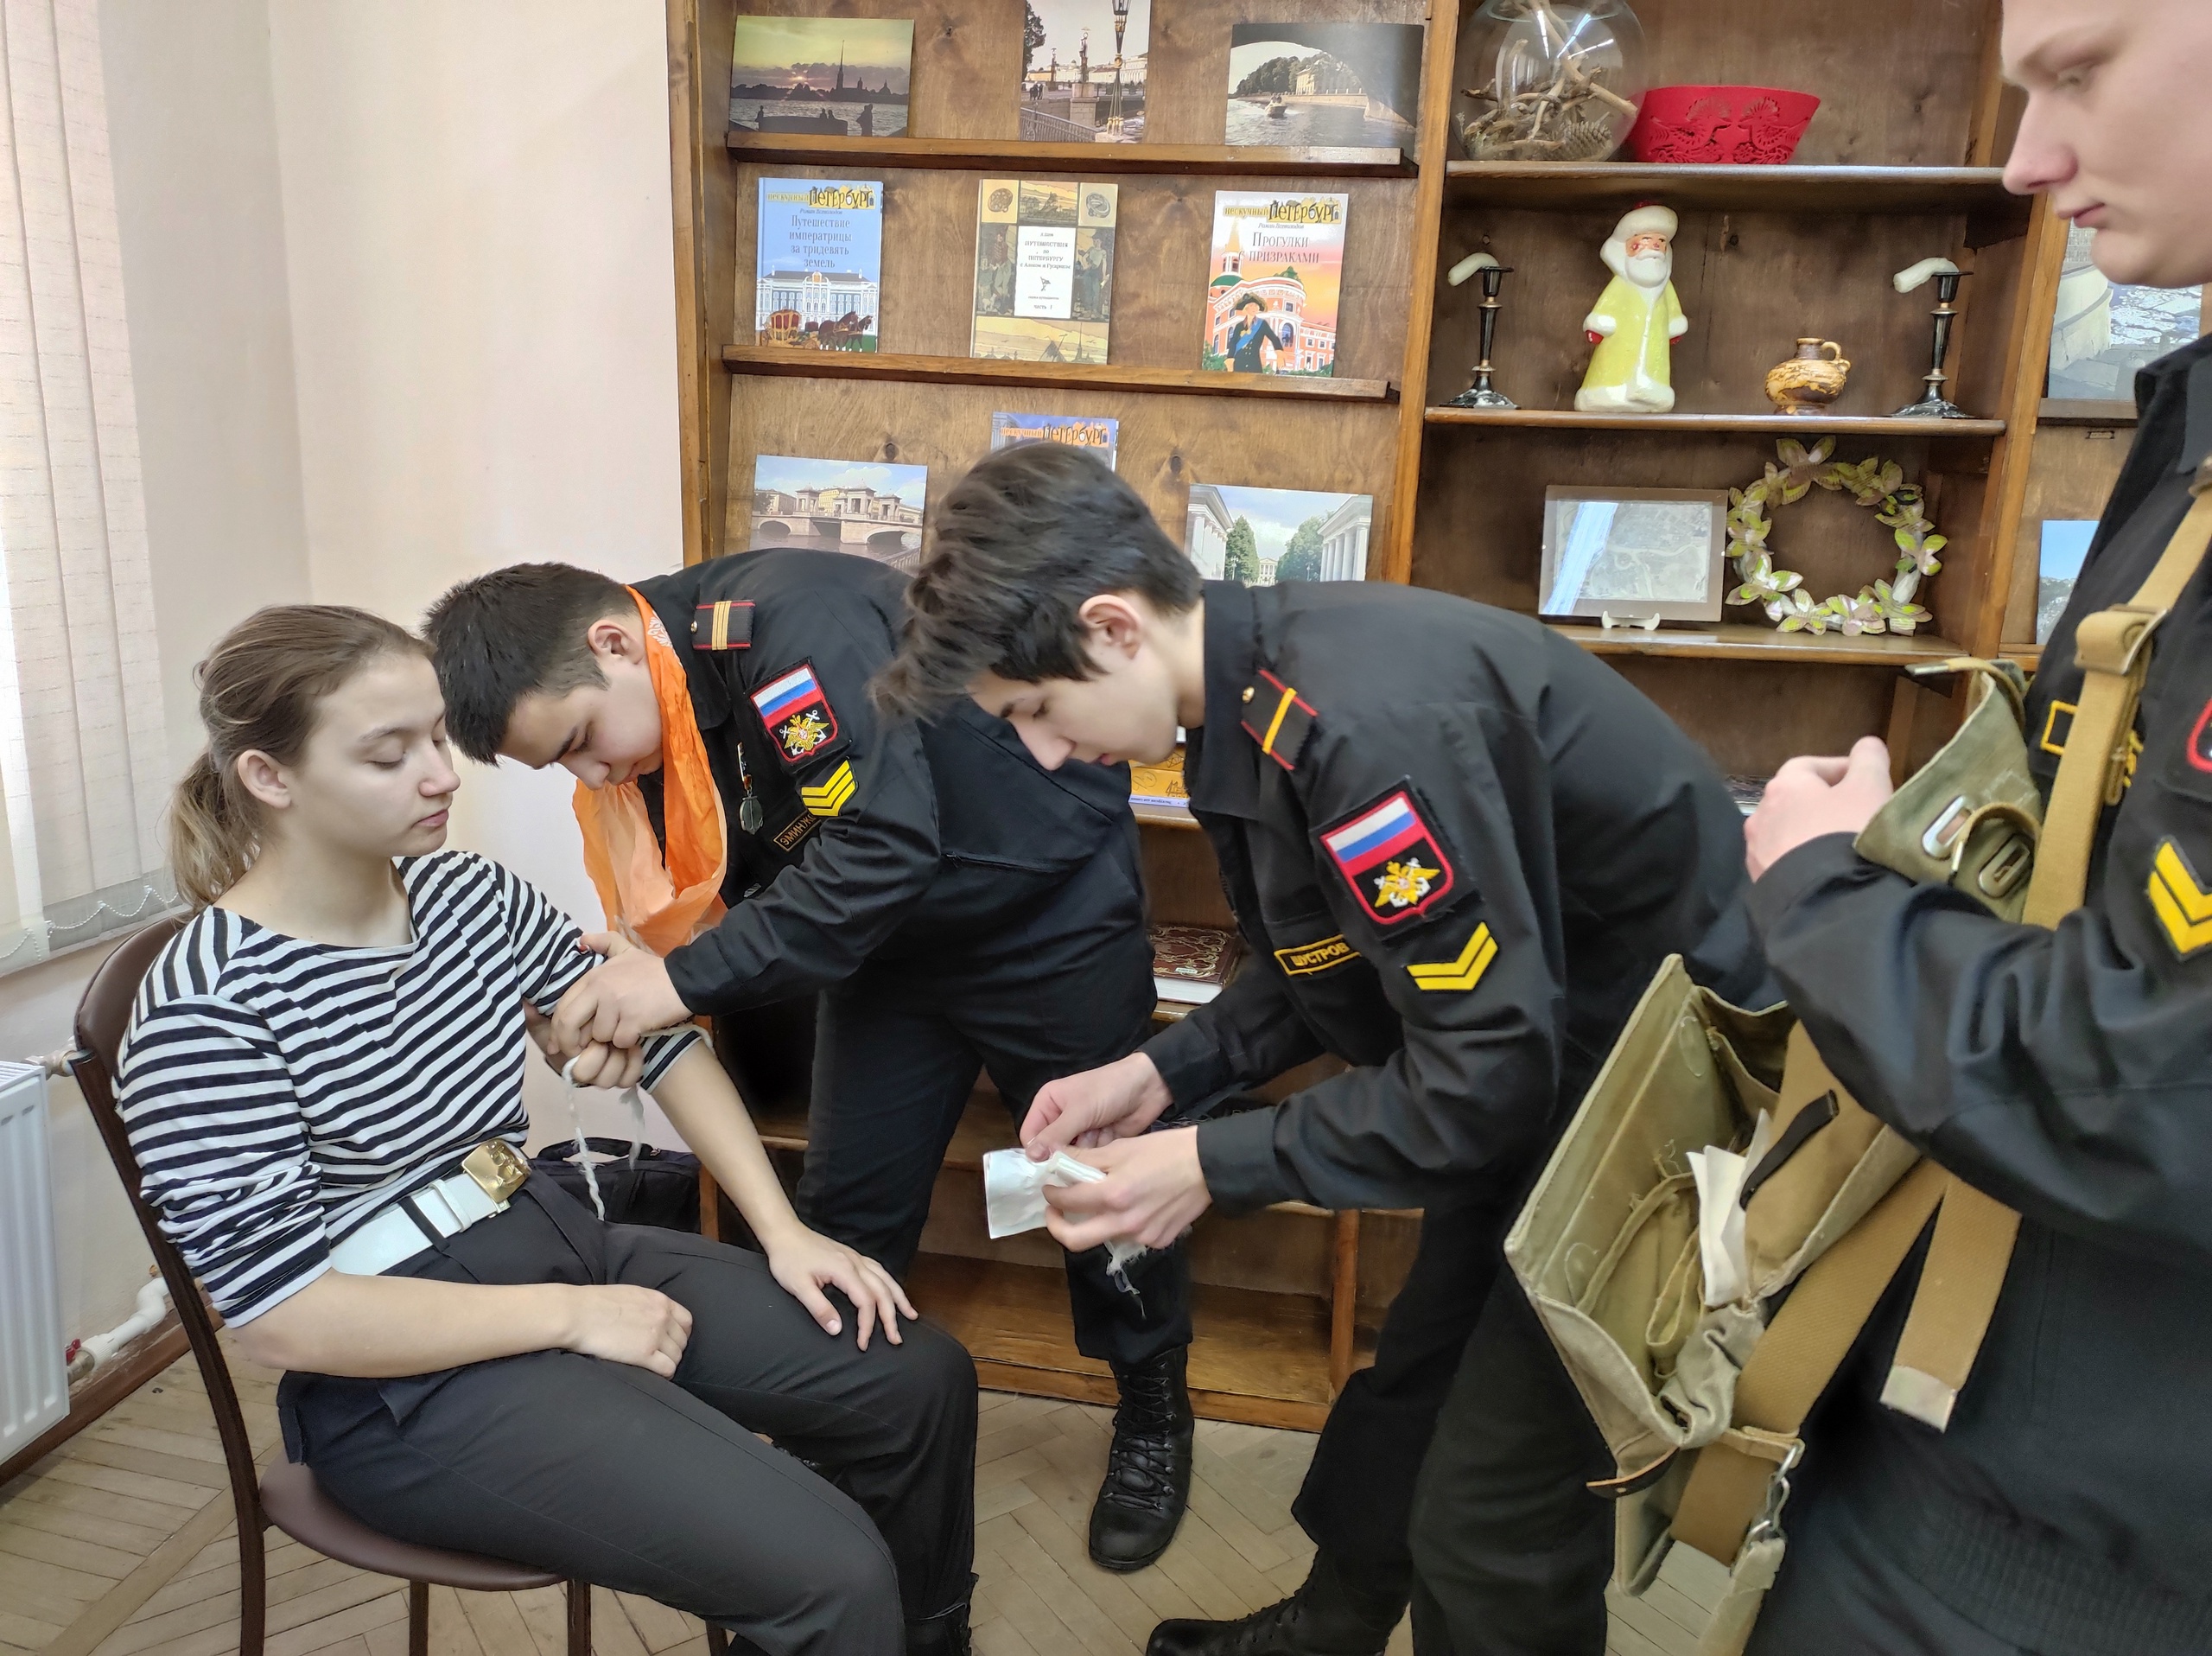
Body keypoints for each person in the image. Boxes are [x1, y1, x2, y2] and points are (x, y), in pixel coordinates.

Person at [870, 443, 1769, 1656]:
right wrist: (1159, 1072)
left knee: (1494, 1513)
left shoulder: (1356, 727)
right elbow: (1333, 961)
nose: (1045, 750)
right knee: (1409, 1394)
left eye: (1035, 710)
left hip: (1640, 1109)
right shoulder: (1251, 695)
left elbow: (1481, 1085)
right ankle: (1329, 1630)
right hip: (1545, 1063)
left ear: (1113, 627)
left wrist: (1205, 1164)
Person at [118, 606, 976, 1656]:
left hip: (543, 1230)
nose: (442, 776)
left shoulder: (465, 892)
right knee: (831, 1568)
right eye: (389, 754)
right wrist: (571, 1316)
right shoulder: (207, 1006)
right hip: (394, 1367)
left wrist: (784, 1229)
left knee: (916, 1378)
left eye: (438, 737)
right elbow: (281, 1317)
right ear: (269, 776)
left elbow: (659, 1042)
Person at [423, 553, 1199, 1570]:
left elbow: (876, 843)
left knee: (1096, 1183)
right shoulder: (659, 687)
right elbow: (752, 850)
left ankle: (1152, 1403)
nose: (593, 778)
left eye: (578, 741)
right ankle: (847, 1426)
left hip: (1042, 921)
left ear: (612, 643)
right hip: (885, 951)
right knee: (846, 1205)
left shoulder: (790, 626)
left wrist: (674, 982)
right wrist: (641, 979)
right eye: (559, 766)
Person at [1735, 2, 2212, 1650]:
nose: (2026, 161)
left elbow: (2148, 1076)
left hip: (2082, 1538)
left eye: (2079, 68)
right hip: (2012, 1417)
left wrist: (1822, 895)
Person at [1574, 205, 1688, 415]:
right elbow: (1606, 306)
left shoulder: (1664, 286)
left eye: (1661, 241)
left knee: (1654, 365)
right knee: (1615, 366)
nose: (1655, 246)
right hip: (1621, 341)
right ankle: (1609, 392)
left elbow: (1673, 311)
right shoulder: (1622, 283)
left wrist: (1674, 325)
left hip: (1654, 340)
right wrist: (1598, 325)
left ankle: (1651, 394)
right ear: (1629, 247)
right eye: (1647, 240)